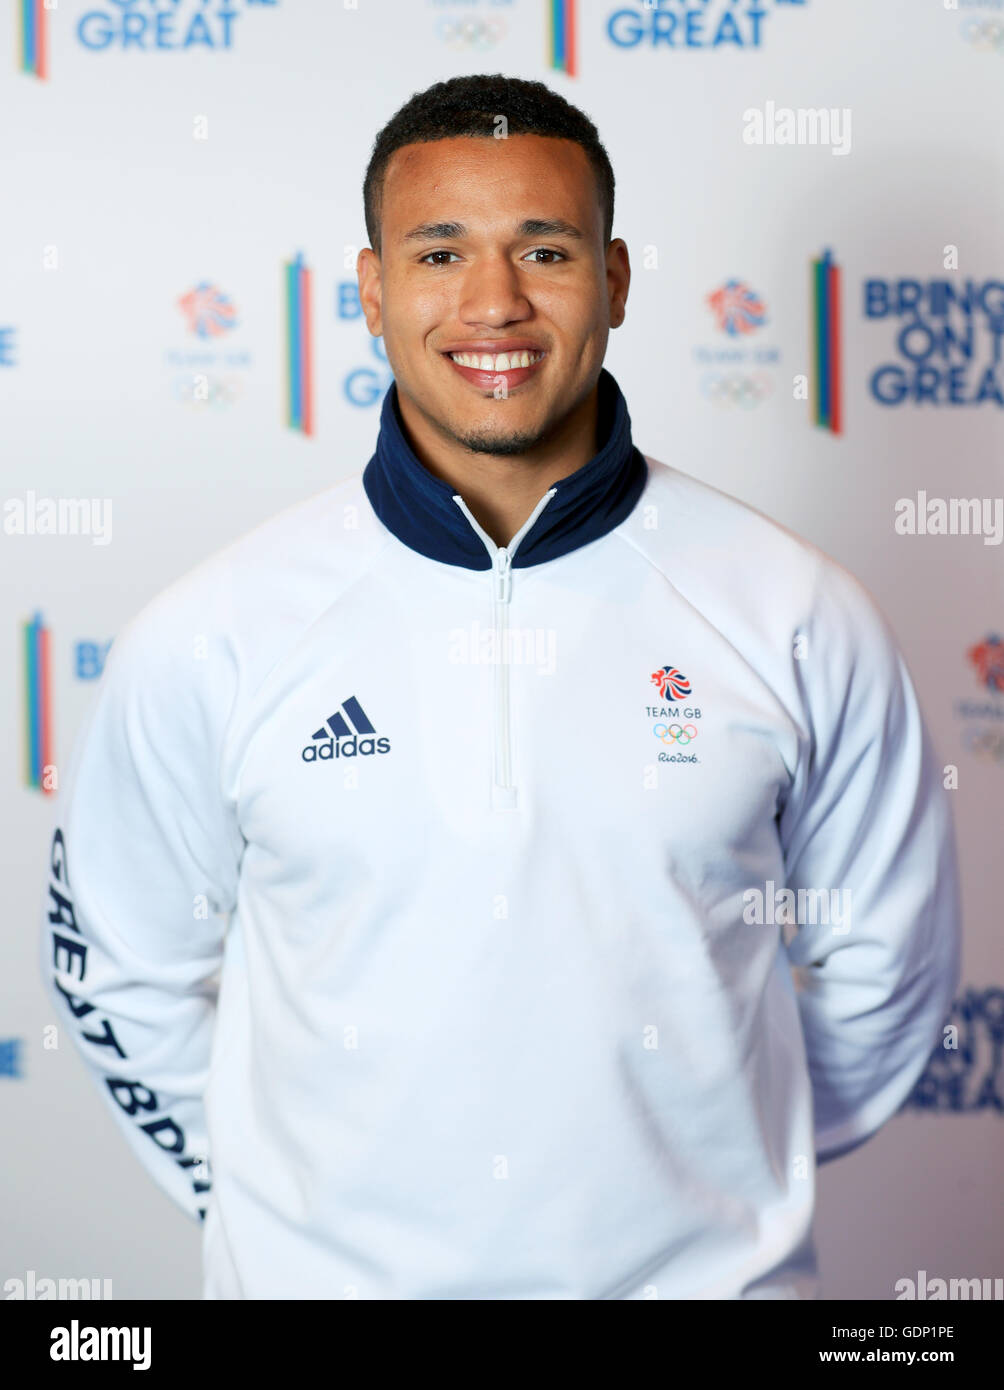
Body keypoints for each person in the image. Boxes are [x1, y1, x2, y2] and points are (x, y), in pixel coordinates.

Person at [41, 74, 961, 1300]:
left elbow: (884, 978)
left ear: (615, 279)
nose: (493, 304)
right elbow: (117, 967)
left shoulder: (792, 611)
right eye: (439, 252)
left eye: (543, 248)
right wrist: (290, 1215)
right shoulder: (214, 631)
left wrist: (711, 1177)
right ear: (370, 291)